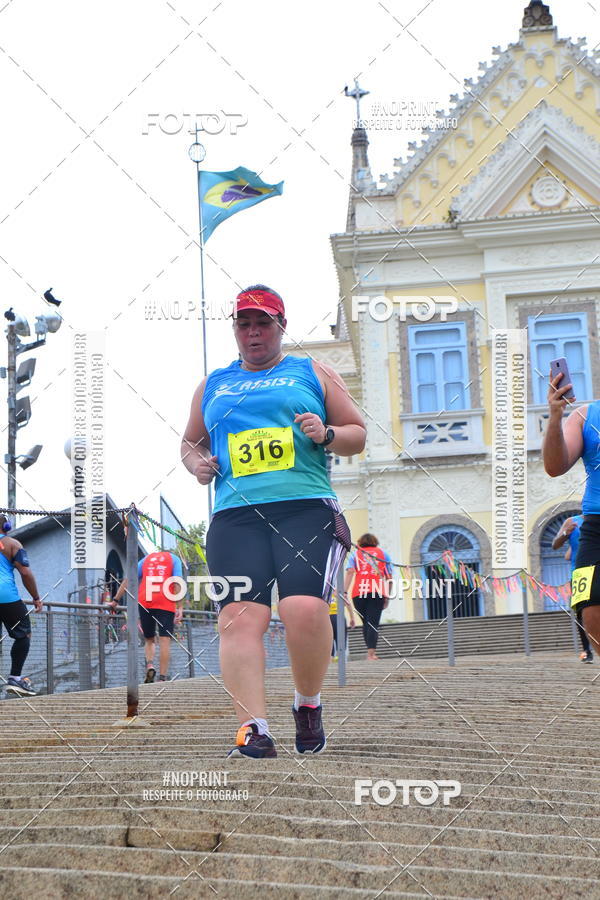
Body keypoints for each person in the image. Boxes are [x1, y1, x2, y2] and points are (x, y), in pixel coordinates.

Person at [181, 284, 366, 758]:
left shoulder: (312, 371)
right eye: (244, 324)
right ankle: (254, 728)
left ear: (281, 326)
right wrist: (198, 464)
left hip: (304, 507)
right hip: (235, 515)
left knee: (302, 609)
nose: (253, 332)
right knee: (238, 616)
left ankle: (308, 704)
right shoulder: (214, 383)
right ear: (235, 330)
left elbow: (357, 433)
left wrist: (326, 433)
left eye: (263, 323)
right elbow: (191, 442)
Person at [543, 371, 600, 655]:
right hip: (596, 526)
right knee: (589, 608)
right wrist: (555, 415)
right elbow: (555, 467)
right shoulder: (585, 415)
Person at [115, 549, 184, 683]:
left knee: (149, 639)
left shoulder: (147, 559)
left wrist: (116, 599)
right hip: (166, 601)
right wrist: (180, 607)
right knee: (165, 640)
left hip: (145, 601)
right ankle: (162, 678)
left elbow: (129, 579)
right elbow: (177, 583)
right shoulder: (174, 559)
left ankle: (150, 665)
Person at [0, 515, 42, 696]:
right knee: (23, 634)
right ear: (6, 526)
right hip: (6, 597)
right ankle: (15, 678)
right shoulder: (11, 544)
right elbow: (25, 573)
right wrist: (36, 597)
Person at [344, 533, 392, 660]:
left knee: (366, 622)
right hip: (377, 591)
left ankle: (369, 652)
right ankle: (371, 654)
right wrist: (387, 597)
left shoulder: (355, 554)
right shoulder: (383, 554)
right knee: (373, 623)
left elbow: (350, 572)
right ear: (375, 542)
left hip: (358, 592)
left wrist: (344, 591)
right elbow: (389, 578)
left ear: (360, 542)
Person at [552, 514, 593, 663]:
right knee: (581, 613)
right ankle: (587, 650)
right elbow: (555, 545)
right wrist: (565, 533)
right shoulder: (572, 521)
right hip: (580, 572)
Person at [329, 589, 356, 661]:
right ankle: (341, 660)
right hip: (339, 617)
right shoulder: (338, 591)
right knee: (341, 642)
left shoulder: (324, 591)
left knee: (329, 643)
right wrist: (352, 618)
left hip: (327, 618)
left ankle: (331, 660)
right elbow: (347, 603)